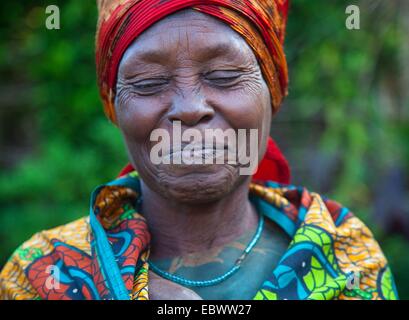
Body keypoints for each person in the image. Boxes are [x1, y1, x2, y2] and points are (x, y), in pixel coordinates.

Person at [0, 0, 399, 300]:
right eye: (149, 82)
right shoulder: (44, 275)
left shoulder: (347, 260)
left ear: (273, 91)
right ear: (113, 106)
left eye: (224, 76)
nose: (190, 109)